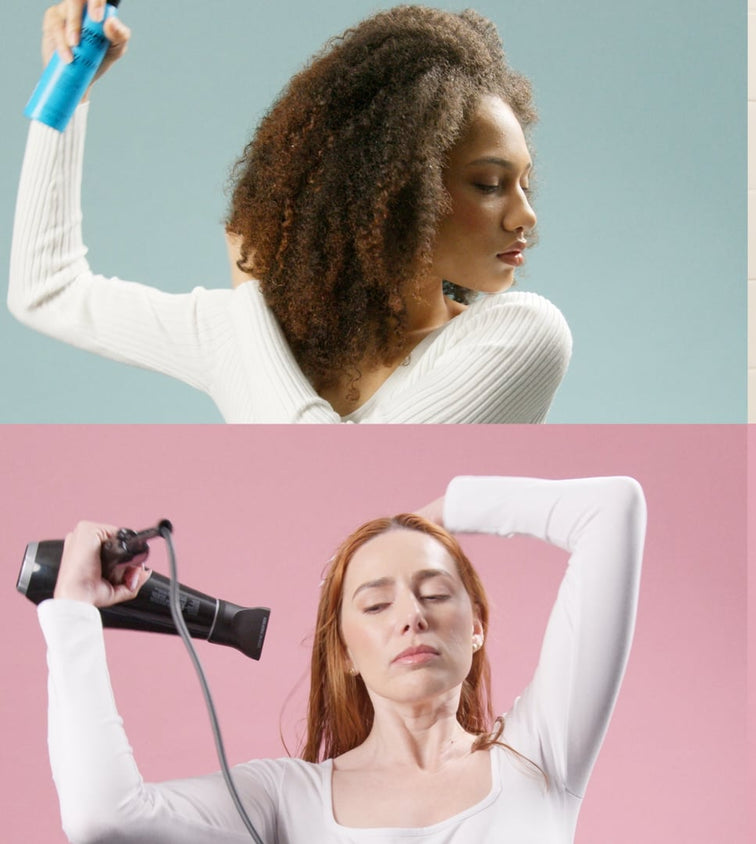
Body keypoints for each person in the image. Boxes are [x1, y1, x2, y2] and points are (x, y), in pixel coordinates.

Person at [8, 1, 570, 422]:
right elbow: (46, 291)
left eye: (524, 182)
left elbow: (339, 476)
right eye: (491, 184)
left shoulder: (521, 338)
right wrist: (68, 86)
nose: (527, 216)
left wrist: (249, 293)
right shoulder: (242, 334)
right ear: (393, 190)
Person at [40, 475, 644, 842]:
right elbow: (103, 818)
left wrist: (444, 513)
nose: (412, 614)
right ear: (347, 652)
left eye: (435, 593)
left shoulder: (538, 760)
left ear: (477, 628)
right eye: (376, 605)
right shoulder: (287, 801)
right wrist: (73, 613)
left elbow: (612, 509)